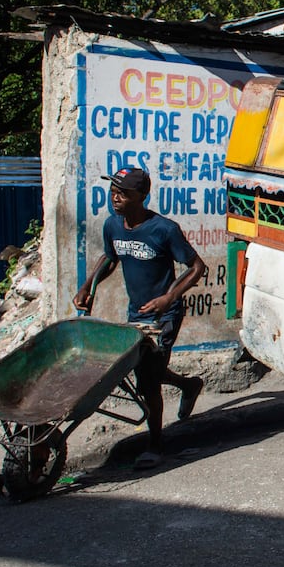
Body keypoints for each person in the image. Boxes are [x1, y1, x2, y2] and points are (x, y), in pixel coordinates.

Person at [72, 167, 207, 468]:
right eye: (113, 190)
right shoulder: (112, 225)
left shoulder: (163, 229)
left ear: (141, 197)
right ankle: (188, 386)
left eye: (123, 192)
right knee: (149, 373)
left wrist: (168, 298)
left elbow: (197, 267)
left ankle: (155, 446)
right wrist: (88, 287)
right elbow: (109, 257)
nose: (115, 196)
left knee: (148, 378)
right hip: (137, 312)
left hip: (165, 313)